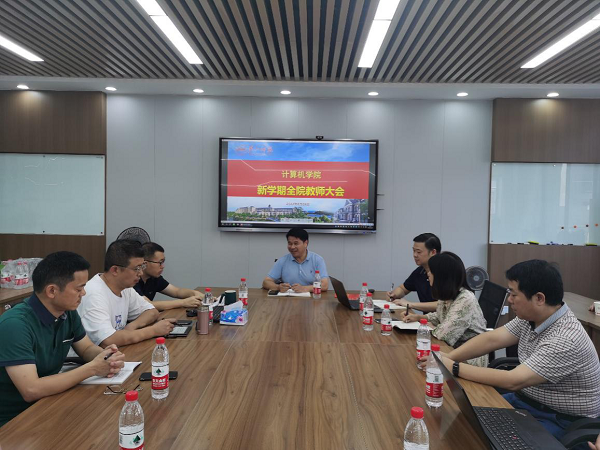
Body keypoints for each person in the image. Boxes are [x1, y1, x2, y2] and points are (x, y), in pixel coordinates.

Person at [440, 259, 600, 442]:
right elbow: (492, 339)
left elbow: (513, 380)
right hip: (526, 401)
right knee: (463, 418)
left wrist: (453, 367)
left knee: (482, 438)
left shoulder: (566, 338)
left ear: (539, 298)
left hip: (560, 419)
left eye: (513, 294)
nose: (509, 299)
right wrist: (447, 357)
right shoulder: (532, 317)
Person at [0, 251, 126, 427]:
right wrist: (93, 368)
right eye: (78, 289)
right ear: (52, 291)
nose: (84, 293)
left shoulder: (67, 312)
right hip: (13, 421)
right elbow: (31, 389)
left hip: (49, 402)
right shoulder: (15, 325)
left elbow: (86, 349)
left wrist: (106, 357)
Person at [77, 239, 175, 347]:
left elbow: (152, 312)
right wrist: (153, 331)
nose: (141, 273)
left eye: (142, 267)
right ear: (115, 270)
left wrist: (131, 327)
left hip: (117, 352)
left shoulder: (125, 288)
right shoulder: (93, 294)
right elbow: (108, 340)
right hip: (92, 356)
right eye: (137, 268)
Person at [404, 252, 488, 367]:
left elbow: (444, 335)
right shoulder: (448, 295)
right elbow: (440, 316)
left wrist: (434, 327)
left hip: (469, 359)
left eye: (431, 271)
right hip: (450, 352)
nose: (428, 274)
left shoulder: (465, 299)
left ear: (441, 276)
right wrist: (419, 317)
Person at [134, 242, 203, 311]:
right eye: (160, 262)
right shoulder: (133, 280)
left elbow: (177, 291)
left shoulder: (154, 278)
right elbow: (147, 304)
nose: (163, 266)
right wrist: (183, 302)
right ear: (145, 263)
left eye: (163, 262)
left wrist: (195, 293)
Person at [262, 227, 329, 293]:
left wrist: (304, 288)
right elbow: (266, 282)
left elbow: (324, 285)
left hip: (312, 298)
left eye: (296, 243)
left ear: (305, 243)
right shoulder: (283, 260)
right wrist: (278, 287)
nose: (292, 247)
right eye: (290, 243)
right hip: (289, 298)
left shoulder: (317, 260)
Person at [387, 233, 441, 313]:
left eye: (419, 252)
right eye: (414, 251)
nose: (415, 255)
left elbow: (444, 305)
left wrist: (411, 304)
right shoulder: (420, 271)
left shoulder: (446, 272)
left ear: (433, 252)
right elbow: (403, 289)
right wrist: (394, 294)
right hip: (426, 319)